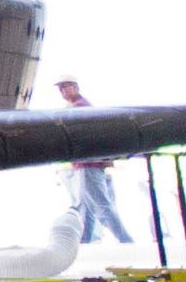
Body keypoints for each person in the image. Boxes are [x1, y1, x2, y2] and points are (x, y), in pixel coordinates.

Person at [54, 75, 132, 244]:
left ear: (76, 87)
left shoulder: (80, 108)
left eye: (66, 87)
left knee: (101, 207)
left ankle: (126, 241)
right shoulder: (76, 107)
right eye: (60, 88)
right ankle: (85, 242)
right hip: (85, 163)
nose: (63, 91)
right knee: (86, 208)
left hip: (88, 163)